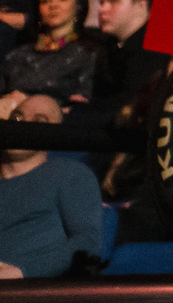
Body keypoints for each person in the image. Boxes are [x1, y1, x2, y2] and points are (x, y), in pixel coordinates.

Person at [0, 95, 103, 279]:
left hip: (26, 294)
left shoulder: (68, 174)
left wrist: (21, 271)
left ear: (55, 133)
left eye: (39, 121)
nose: (24, 124)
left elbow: (88, 242)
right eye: (17, 117)